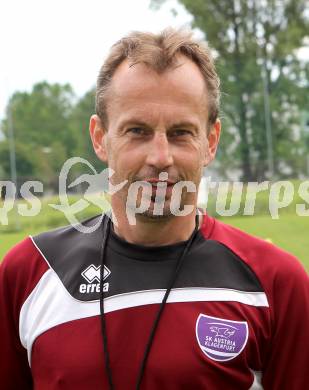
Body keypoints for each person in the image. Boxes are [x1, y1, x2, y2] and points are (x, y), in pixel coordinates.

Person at [0, 28, 308, 390]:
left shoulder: (276, 285)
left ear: (211, 142)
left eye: (180, 133)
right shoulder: (28, 274)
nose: (160, 157)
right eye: (137, 131)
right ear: (101, 137)